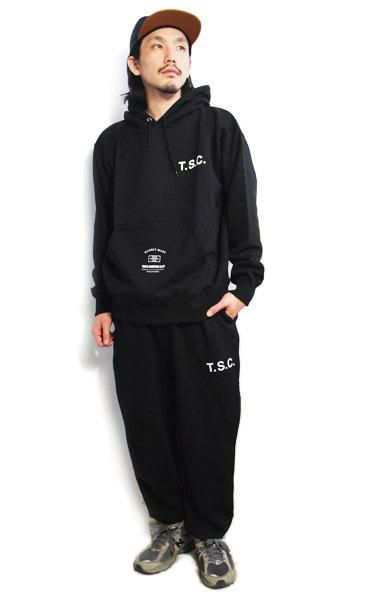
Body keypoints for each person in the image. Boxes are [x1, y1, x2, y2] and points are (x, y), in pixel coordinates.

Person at [90, 9, 264, 589]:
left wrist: (244, 287)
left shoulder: (218, 128)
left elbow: (242, 210)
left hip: (204, 314)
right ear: (135, 63)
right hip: (135, 317)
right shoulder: (112, 145)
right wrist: (103, 301)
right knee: (148, 428)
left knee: (210, 427)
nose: (173, 55)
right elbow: (105, 226)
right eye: (158, 46)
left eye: (182, 47)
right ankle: (169, 526)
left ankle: (210, 534)